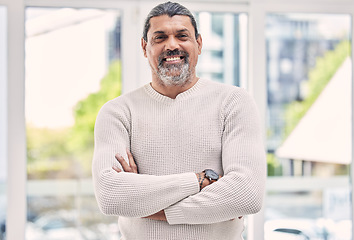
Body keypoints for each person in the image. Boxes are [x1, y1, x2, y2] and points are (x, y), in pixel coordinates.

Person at [92, 1, 266, 239]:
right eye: (160, 37)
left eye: (182, 36)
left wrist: (145, 205)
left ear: (199, 43)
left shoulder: (234, 102)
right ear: (145, 47)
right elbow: (111, 197)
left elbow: (246, 195)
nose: (172, 45)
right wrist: (200, 181)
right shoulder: (118, 112)